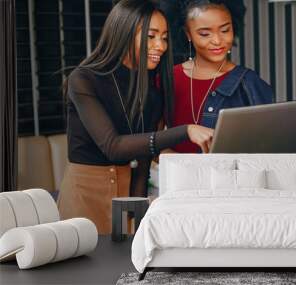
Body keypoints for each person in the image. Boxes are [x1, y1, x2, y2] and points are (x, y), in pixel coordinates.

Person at [57, 0, 213, 234]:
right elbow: (113, 146)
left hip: (128, 194)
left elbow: (143, 159)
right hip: (84, 196)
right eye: (151, 36)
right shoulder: (84, 79)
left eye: (164, 37)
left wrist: (137, 215)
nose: (160, 46)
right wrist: (186, 130)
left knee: (129, 268)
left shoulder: (152, 87)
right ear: (124, 33)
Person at [166, 0, 274, 153]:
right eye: (205, 34)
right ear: (188, 34)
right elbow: (154, 141)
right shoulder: (168, 78)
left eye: (225, 30)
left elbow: (267, 145)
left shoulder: (249, 83)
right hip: (179, 174)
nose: (217, 41)